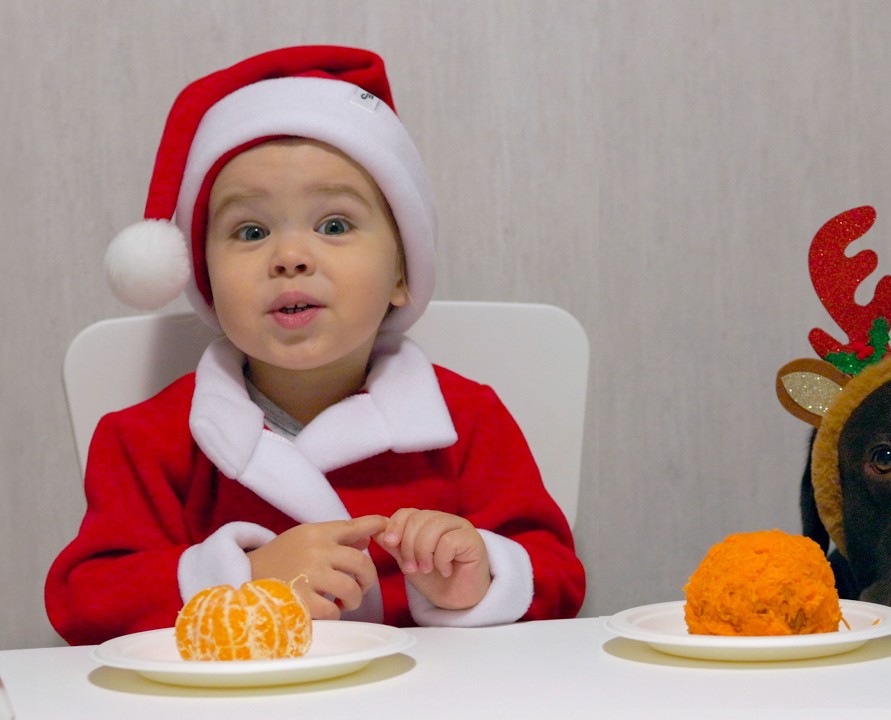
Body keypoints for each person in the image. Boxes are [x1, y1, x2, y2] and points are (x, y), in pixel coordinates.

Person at [45, 46, 585, 645]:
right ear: (204, 278)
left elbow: (559, 575)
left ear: (404, 274)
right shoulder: (145, 440)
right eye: (250, 231)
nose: (290, 257)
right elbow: (85, 603)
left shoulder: (467, 421)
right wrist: (238, 580)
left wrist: (480, 573)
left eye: (334, 225)